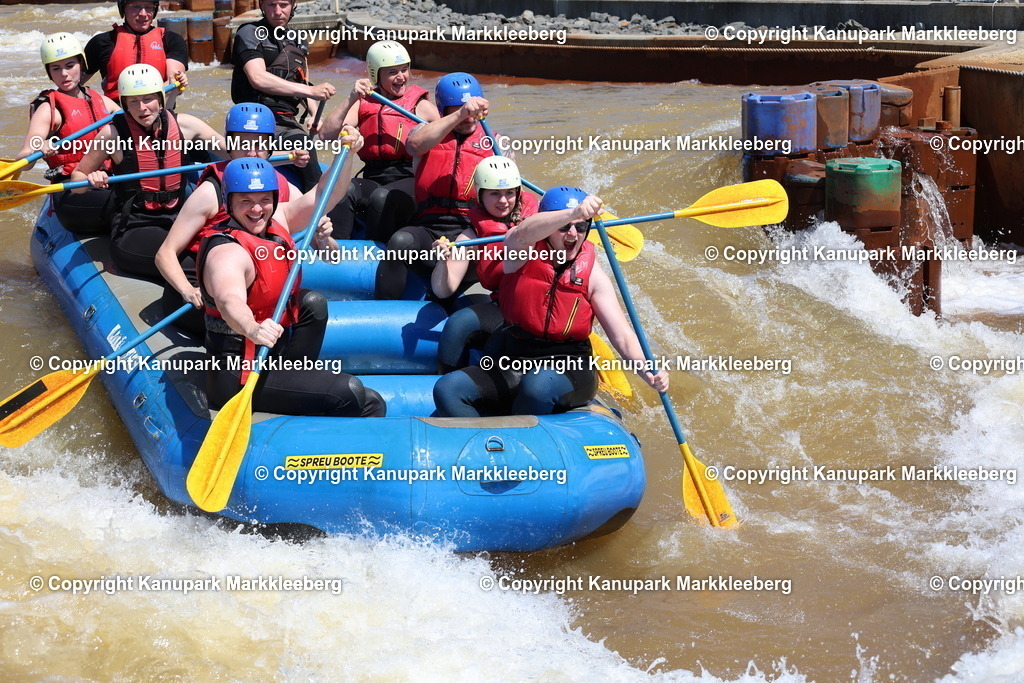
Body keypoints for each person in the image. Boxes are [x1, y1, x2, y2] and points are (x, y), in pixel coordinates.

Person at [433, 187, 669, 417]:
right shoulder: (522, 252)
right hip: (515, 357)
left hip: (570, 367)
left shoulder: (594, 276)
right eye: (563, 227)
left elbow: (623, 336)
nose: (572, 234)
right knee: (448, 390)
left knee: (538, 386)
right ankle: (483, 448)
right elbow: (521, 233)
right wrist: (573, 213)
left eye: (581, 227)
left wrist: (648, 369)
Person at [197, 150, 386, 418]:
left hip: (273, 353)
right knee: (356, 393)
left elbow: (326, 194)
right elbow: (230, 301)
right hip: (239, 374)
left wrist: (347, 154)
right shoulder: (226, 254)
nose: (256, 209)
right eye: (245, 201)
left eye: (264, 200)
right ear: (228, 202)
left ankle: (296, 374)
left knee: (312, 303)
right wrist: (252, 327)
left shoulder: (278, 220)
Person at [155, 102, 310, 333]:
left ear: (270, 147)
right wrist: (187, 290)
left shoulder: (285, 189)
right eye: (242, 144)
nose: (251, 153)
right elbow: (164, 253)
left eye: (259, 145)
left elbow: (327, 249)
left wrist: (324, 236)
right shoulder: (211, 191)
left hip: (254, 284)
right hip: (207, 292)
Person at [70, 64, 223, 280]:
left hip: (179, 219)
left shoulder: (186, 126)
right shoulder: (112, 134)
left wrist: (281, 150)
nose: (142, 108)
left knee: (219, 254)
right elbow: (77, 178)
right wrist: (90, 179)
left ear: (160, 100)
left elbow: (233, 151)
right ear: (124, 105)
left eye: (148, 99)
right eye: (134, 101)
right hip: (135, 227)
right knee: (197, 264)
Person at [374, 72, 494, 301]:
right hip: (429, 228)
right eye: (457, 109)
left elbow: (510, 199)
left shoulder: (497, 142)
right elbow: (414, 145)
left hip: (469, 232)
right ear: (443, 110)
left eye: (471, 111)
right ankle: (384, 311)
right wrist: (461, 114)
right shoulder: (425, 132)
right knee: (400, 241)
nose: (469, 118)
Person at [319, 40, 439, 241]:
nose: (401, 77)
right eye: (392, 72)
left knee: (381, 197)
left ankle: (375, 256)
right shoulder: (364, 103)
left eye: (404, 70)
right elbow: (326, 134)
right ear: (376, 75)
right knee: (343, 188)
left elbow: (448, 140)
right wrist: (351, 98)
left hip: (409, 178)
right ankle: (337, 252)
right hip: (373, 177)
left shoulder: (422, 106)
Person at [431, 157, 538, 372]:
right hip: (504, 306)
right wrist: (443, 261)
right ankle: (447, 381)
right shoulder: (471, 237)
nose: (503, 201)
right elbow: (444, 289)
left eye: (509, 193)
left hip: (537, 304)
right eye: (494, 194)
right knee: (459, 324)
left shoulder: (538, 223)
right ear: (480, 195)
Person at [17, 33, 120, 235]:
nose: (64, 74)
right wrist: (39, 147)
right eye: (56, 68)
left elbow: (135, 121)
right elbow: (24, 158)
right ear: (49, 73)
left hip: (105, 178)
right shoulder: (49, 109)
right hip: (72, 190)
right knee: (124, 201)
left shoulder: (99, 99)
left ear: (82, 65)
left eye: (70, 65)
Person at [231, 0, 335, 192]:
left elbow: (303, 83)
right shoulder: (249, 33)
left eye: (283, 4)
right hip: (253, 121)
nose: (278, 11)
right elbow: (258, 78)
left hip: (286, 121)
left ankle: (316, 208)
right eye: (271, 5)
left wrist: (313, 113)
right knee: (303, 144)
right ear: (262, 5)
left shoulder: (298, 39)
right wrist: (311, 91)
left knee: (306, 150)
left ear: (293, 5)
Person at [83, 0, 188, 108]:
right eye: (135, 6)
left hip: (157, 111)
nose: (143, 13)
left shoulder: (172, 40)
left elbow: (173, 81)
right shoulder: (101, 42)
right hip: (117, 113)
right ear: (123, 9)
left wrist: (178, 80)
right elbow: (74, 83)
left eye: (148, 7)